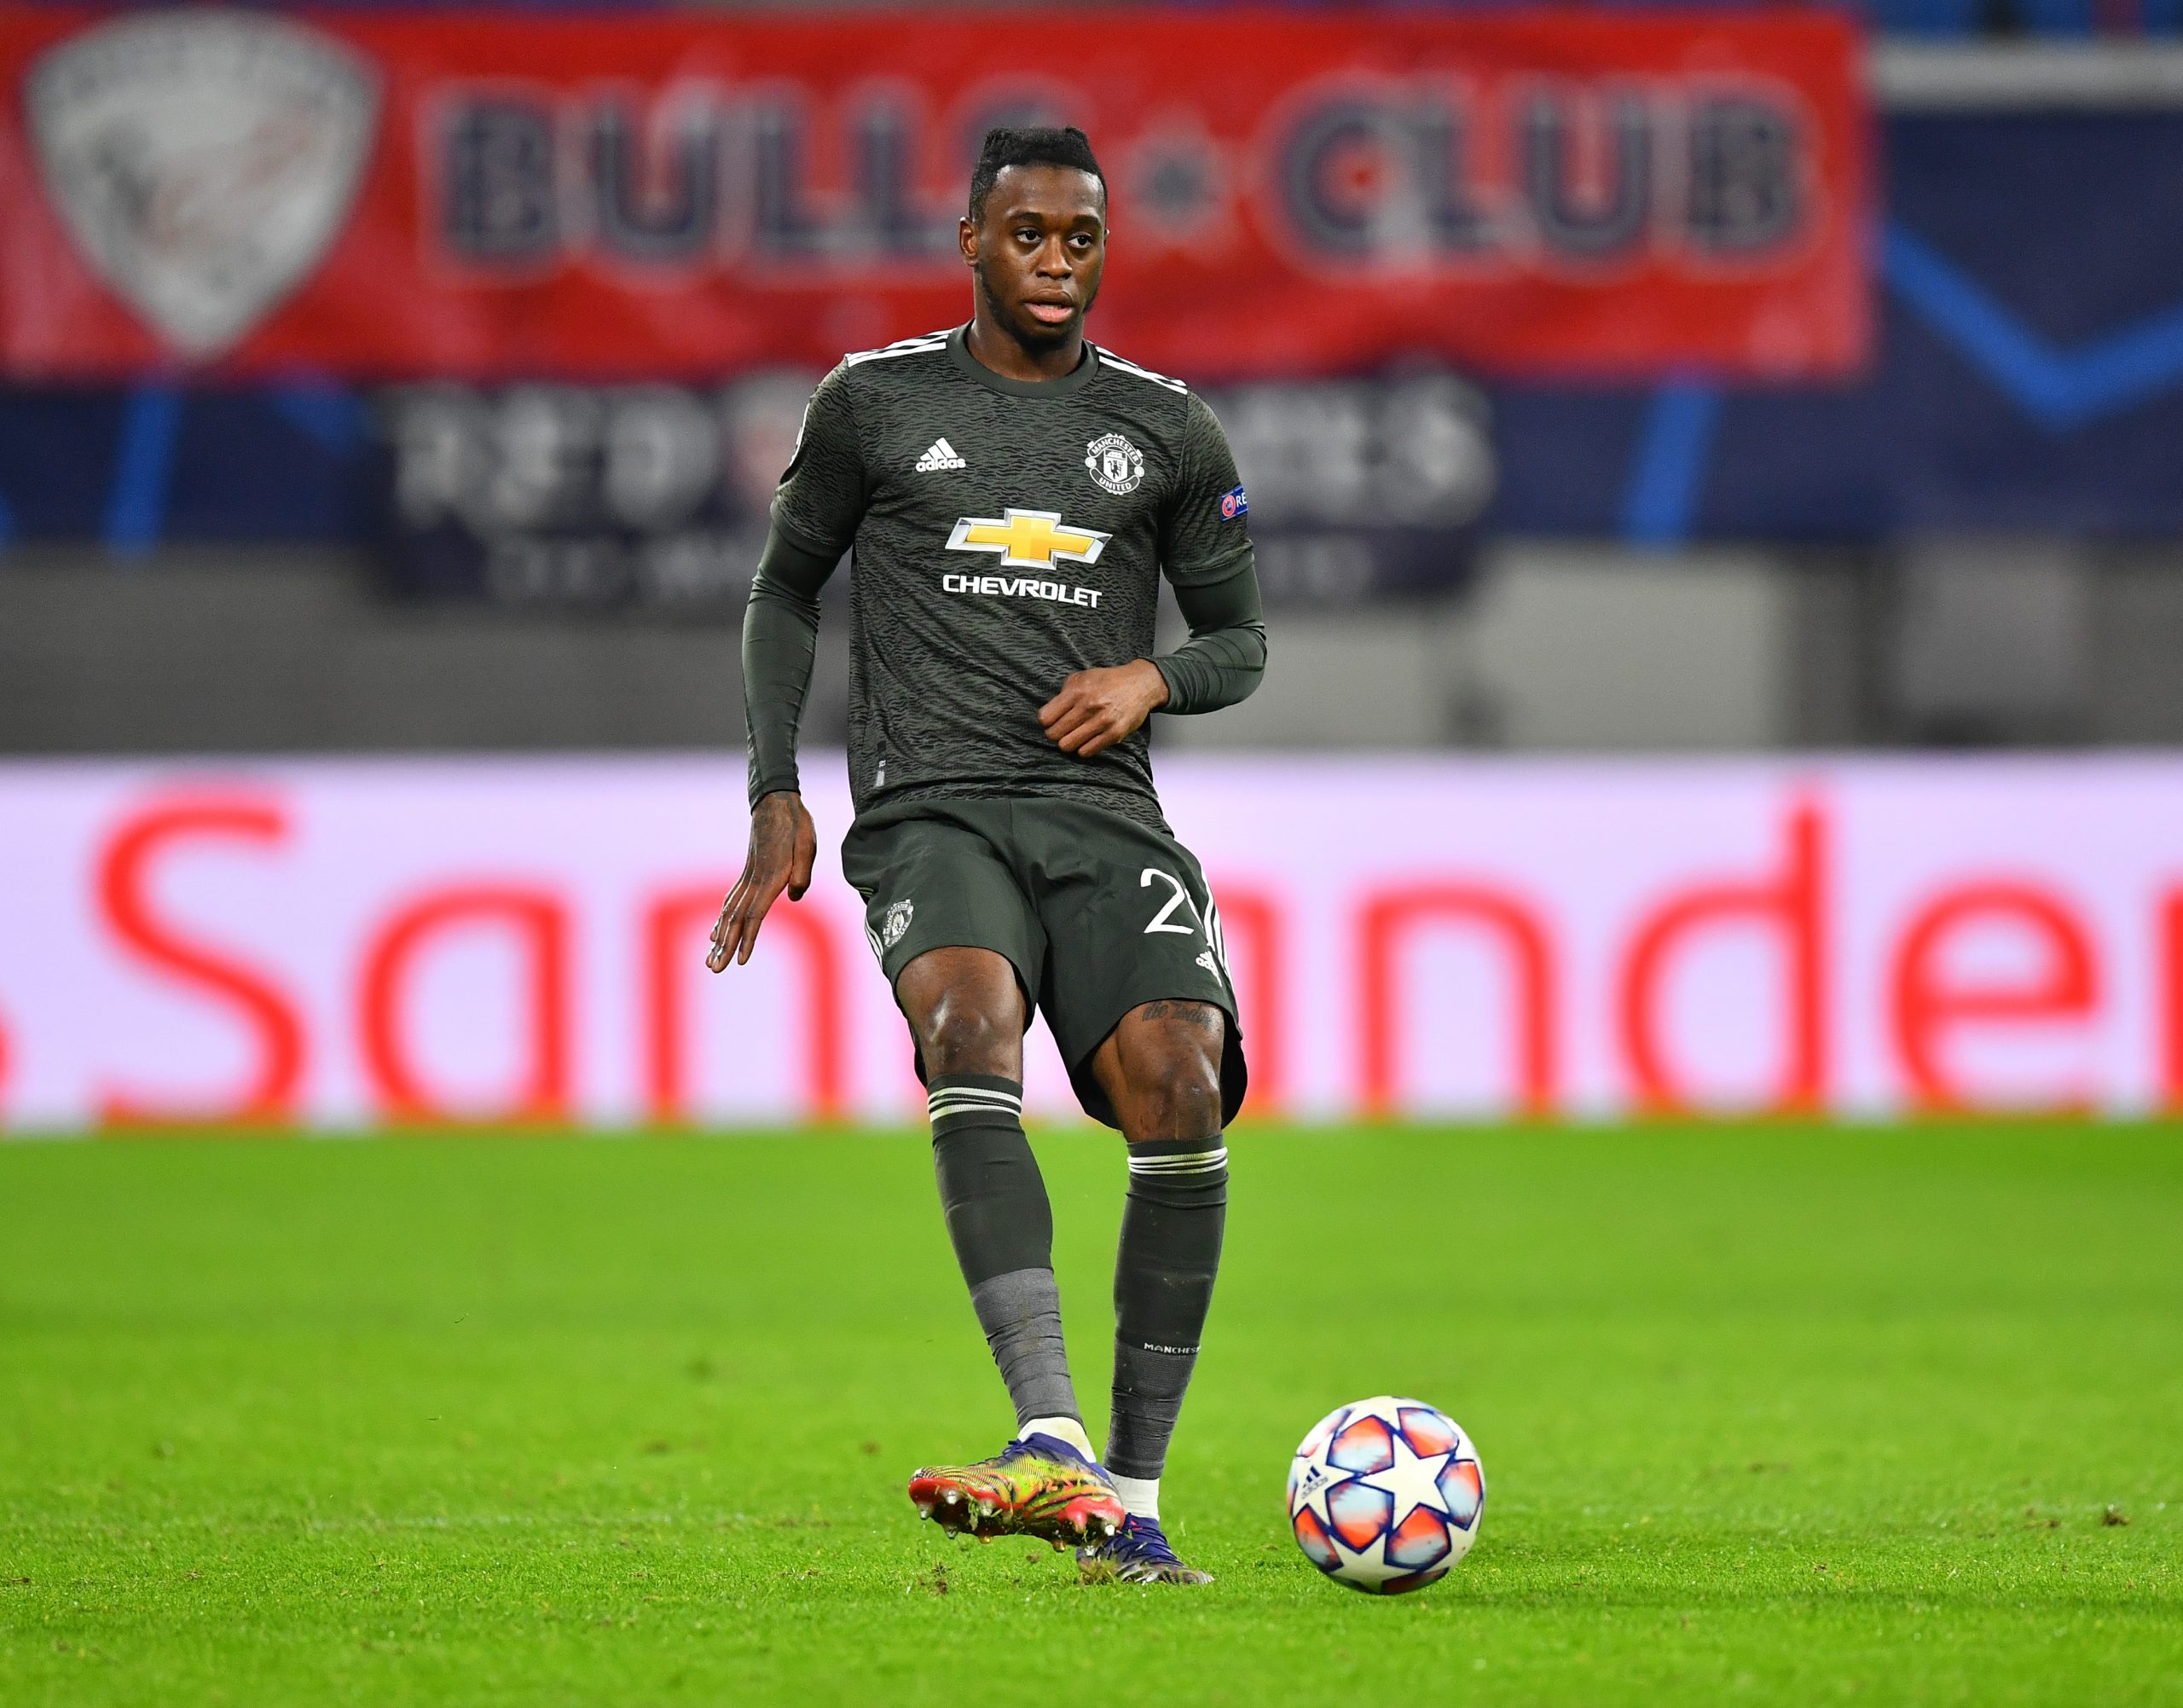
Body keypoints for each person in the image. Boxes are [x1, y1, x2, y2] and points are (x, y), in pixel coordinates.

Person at [709, 124, 1267, 1586]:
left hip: (1101, 814)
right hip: (930, 802)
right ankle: (1049, 1433)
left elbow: (1240, 639)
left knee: (1182, 1080)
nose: (1057, 263)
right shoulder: (878, 405)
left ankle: (1126, 1508)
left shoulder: (1165, 429)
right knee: (967, 1021)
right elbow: (783, 592)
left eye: (1081, 240)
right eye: (1029, 235)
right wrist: (777, 792)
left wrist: (1152, 681)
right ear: (972, 241)